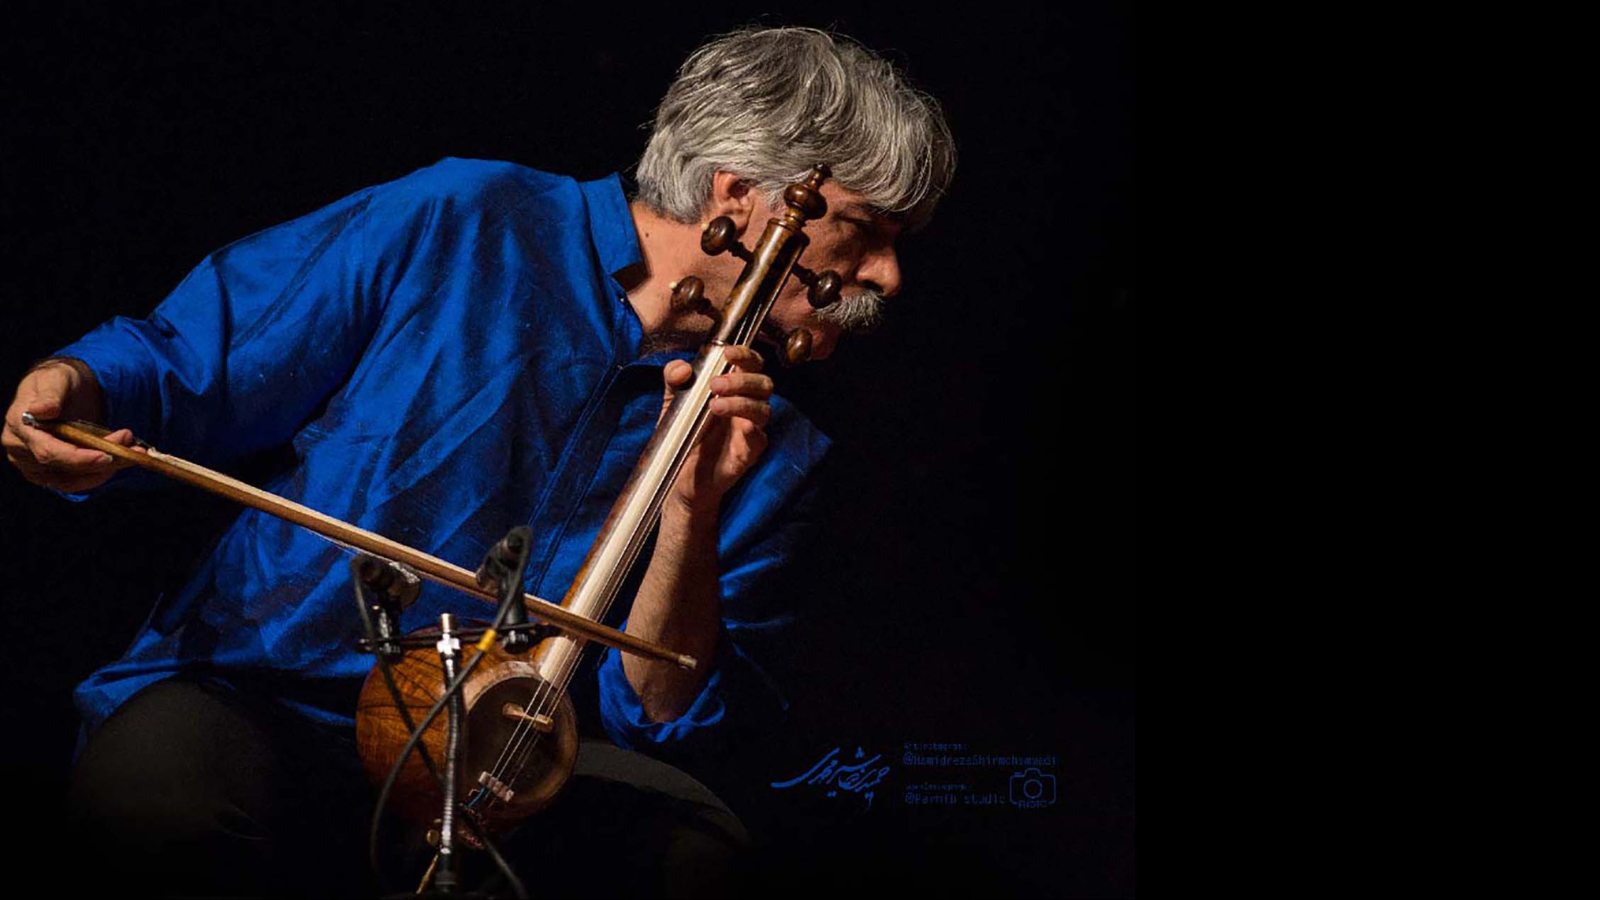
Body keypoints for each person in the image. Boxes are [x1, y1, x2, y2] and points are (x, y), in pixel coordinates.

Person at [3, 26, 954, 898]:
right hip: (272, 696)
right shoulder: (467, 218)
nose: (887, 278)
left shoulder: (772, 444)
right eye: (867, 229)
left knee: (699, 855)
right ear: (739, 194)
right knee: (154, 796)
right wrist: (76, 385)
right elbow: (199, 358)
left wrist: (690, 512)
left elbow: (663, 711)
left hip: (515, 759)